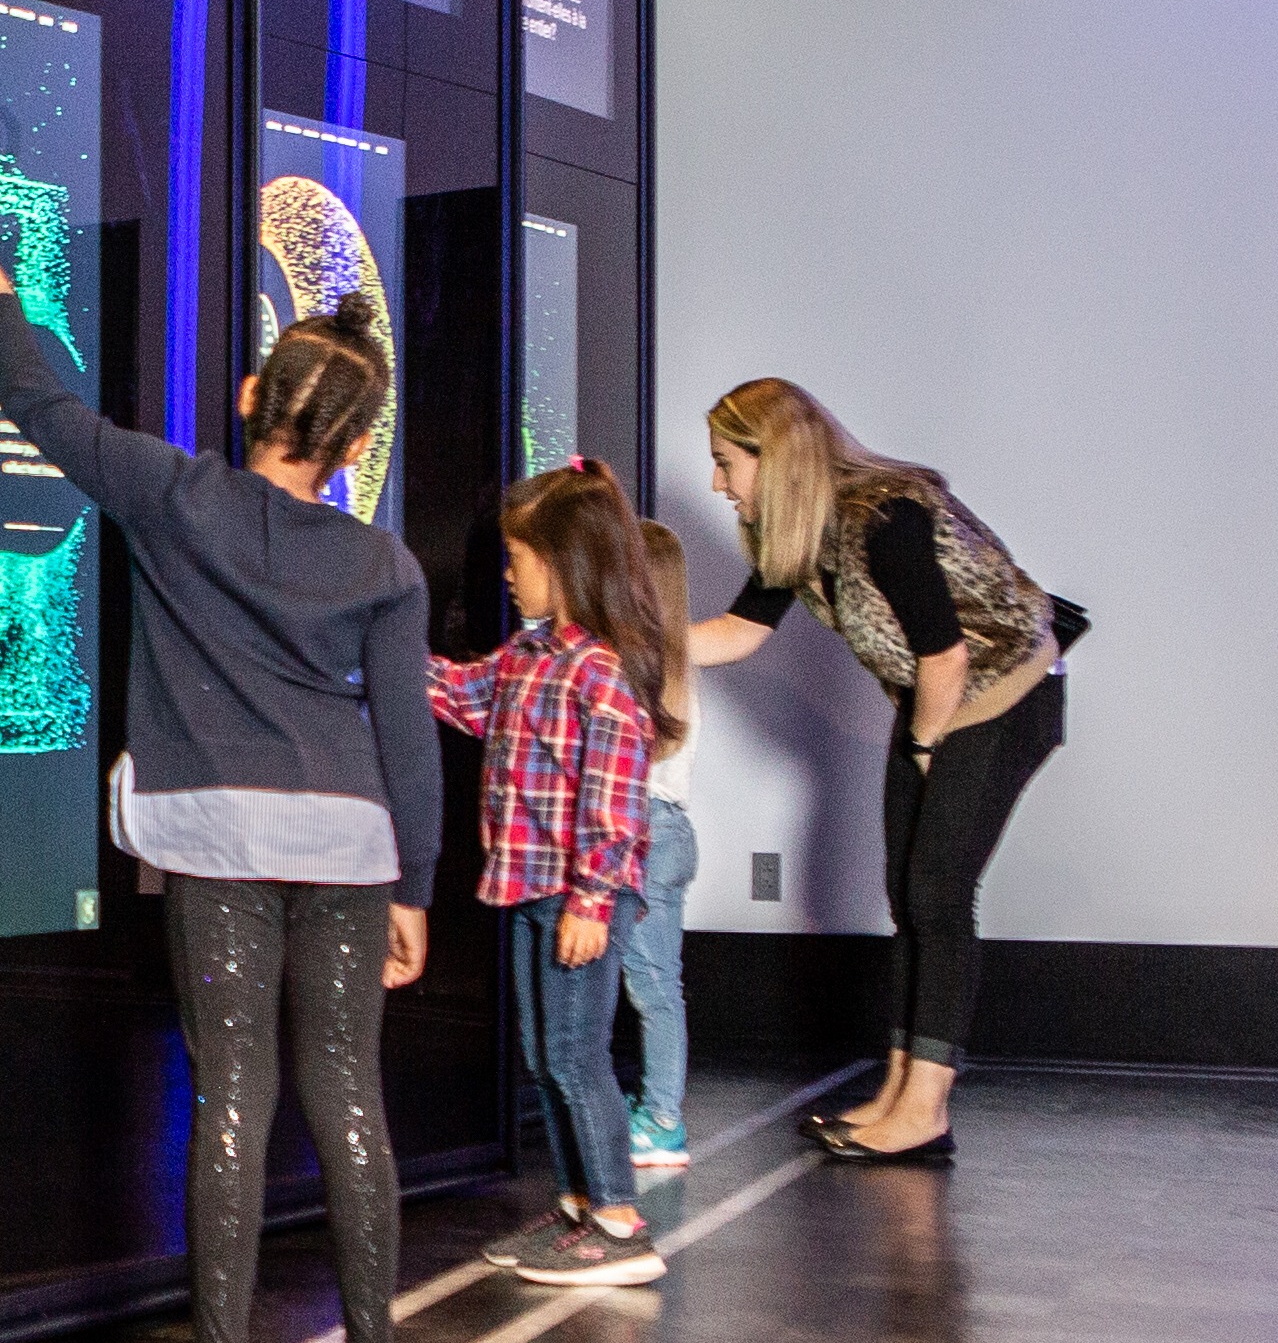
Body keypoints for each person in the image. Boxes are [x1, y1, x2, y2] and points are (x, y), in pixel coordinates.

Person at [0, 223, 435, 1343]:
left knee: (233, 1095)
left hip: (214, 830)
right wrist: (416, 886)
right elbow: (409, 739)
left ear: (249, 399)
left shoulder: (175, 496)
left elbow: (41, 402)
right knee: (349, 1096)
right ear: (357, 445)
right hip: (350, 842)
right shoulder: (383, 560)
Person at [678, 378, 1076, 1166]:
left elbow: (946, 652)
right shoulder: (793, 532)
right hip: (937, 698)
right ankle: (899, 1092)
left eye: (727, 464)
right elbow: (737, 631)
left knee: (937, 889)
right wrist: (624, 644)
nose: (718, 484)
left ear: (777, 458)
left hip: (1004, 691)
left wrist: (925, 749)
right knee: (908, 892)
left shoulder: (884, 518)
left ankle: (924, 1108)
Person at [429, 463, 670, 1288]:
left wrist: (594, 898)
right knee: (543, 1053)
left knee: (575, 1055)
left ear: (562, 564)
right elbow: (460, 695)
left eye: (518, 556)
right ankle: (576, 1204)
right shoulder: (529, 655)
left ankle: (617, 1219)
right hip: (529, 887)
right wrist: (384, 656)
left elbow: (613, 801)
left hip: (575, 897)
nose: (506, 572)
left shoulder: (597, 670)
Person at [618, 521, 705, 1175]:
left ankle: (663, 1121)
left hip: (646, 826)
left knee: (651, 986)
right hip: (665, 827)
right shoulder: (671, 656)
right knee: (653, 982)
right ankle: (656, 1112)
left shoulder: (643, 661)